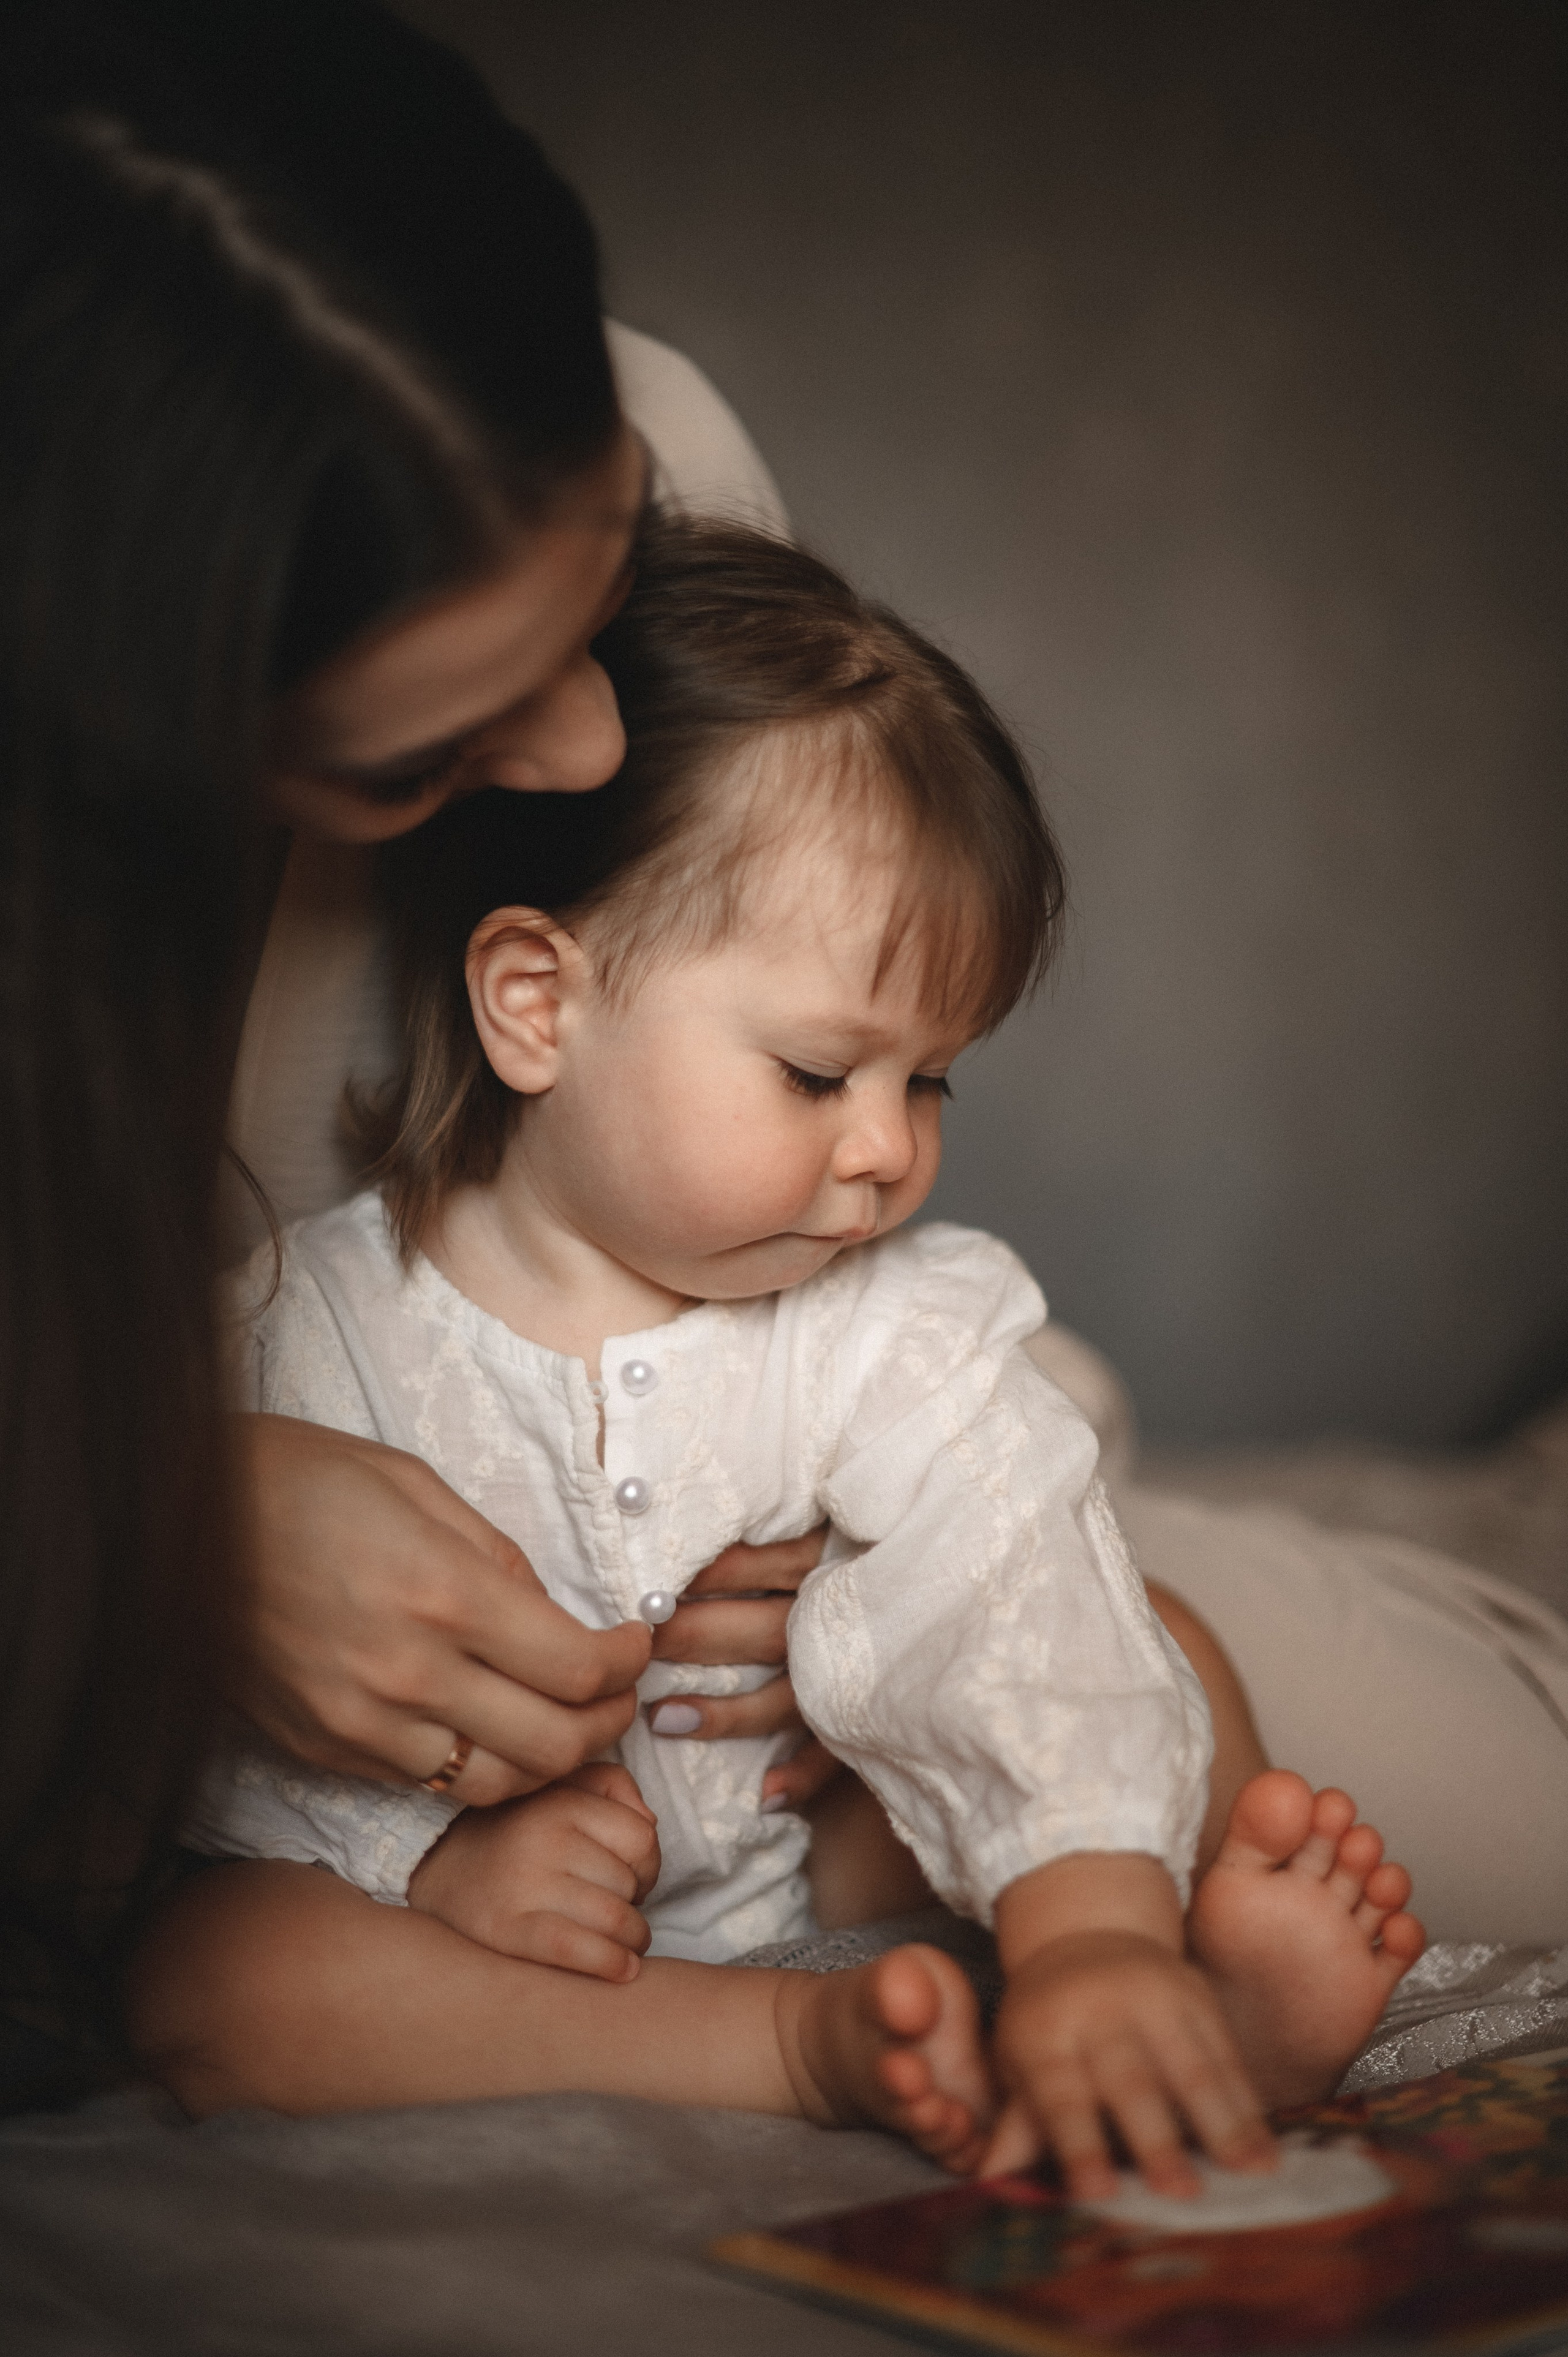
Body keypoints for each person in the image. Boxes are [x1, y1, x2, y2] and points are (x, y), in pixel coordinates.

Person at [154, 521, 1424, 2194]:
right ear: (537, 1004)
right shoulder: (300, 1331)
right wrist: (433, 1857)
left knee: (1140, 1635)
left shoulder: (887, 1316)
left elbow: (1006, 1577)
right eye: (821, 1075)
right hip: (527, 1933)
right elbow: (208, 1710)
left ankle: (1165, 1999)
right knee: (219, 1978)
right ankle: (792, 2047)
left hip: (807, 1835)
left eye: (930, 1081)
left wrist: (1087, 1931)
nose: (889, 1151)